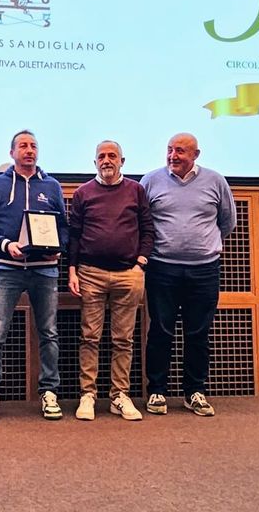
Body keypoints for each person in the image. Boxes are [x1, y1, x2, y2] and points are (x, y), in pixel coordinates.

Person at [140, 132, 236, 417]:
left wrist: (202, 245)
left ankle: (195, 391)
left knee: (198, 333)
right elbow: (142, 222)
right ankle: (157, 390)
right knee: (160, 331)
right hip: (162, 268)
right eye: (170, 150)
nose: (173, 156)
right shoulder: (150, 181)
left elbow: (227, 221)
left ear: (196, 155)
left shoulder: (215, 181)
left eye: (180, 151)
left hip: (204, 270)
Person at [0, 130, 68, 423]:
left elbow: (63, 227)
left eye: (33, 146)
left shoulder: (51, 186)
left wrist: (58, 248)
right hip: (8, 269)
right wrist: (6, 245)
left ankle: (49, 392)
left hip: (44, 270)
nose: (29, 150)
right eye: (23, 146)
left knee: (49, 333)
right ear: (12, 152)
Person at [68, 140, 153, 421]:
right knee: (89, 337)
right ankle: (88, 395)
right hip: (90, 274)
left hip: (128, 274)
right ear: (94, 162)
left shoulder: (136, 190)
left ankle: (119, 395)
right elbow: (74, 235)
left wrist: (141, 263)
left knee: (123, 339)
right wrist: (72, 270)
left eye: (112, 156)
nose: (107, 160)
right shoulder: (82, 193)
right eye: (102, 156)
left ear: (122, 161)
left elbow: (148, 229)